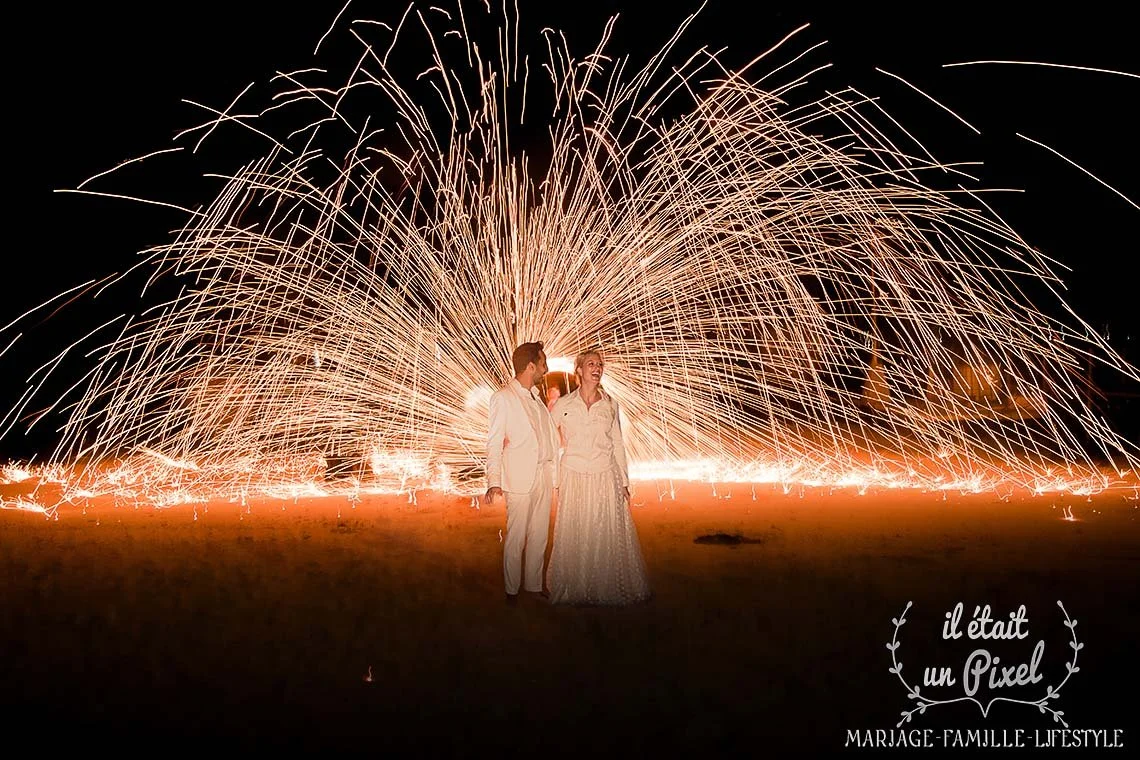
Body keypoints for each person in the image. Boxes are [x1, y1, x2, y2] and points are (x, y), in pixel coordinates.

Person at [546, 349, 651, 605]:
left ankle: (603, 585)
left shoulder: (610, 404)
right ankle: (574, 585)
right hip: (573, 474)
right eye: (591, 364)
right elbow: (548, 441)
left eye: (600, 364)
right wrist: (554, 480)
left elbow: (617, 442)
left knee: (603, 530)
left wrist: (625, 480)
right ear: (579, 371)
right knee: (577, 528)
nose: (597, 368)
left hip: (605, 474)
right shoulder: (563, 405)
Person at [485, 341, 560, 605]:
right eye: (542, 363)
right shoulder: (503, 398)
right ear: (530, 366)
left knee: (539, 534)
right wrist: (494, 481)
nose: (546, 368)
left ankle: (532, 584)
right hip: (519, 477)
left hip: (542, 474)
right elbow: (494, 442)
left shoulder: (536, 398)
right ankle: (511, 590)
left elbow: (547, 436)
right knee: (516, 537)